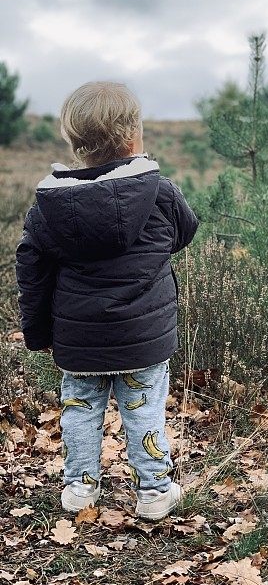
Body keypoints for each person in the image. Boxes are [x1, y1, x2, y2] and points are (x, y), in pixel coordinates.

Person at [15, 81, 199, 521]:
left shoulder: (48, 208)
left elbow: (33, 273)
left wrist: (38, 332)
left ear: (75, 145)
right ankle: (154, 491)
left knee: (80, 409)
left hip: (78, 340)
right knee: (143, 410)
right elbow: (184, 232)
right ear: (134, 136)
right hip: (142, 336)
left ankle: (80, 488)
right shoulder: (160, 193)